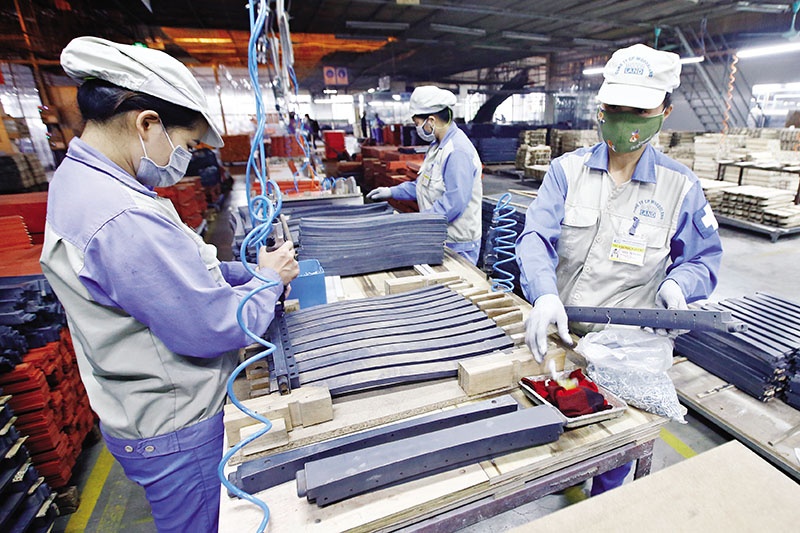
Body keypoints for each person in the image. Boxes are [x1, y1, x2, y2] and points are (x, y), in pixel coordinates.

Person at [40, 37, 299, 533]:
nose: (184, 159)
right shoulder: (120, 214)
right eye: (185, 145)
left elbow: (174, 277)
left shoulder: (90, 183)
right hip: (178, 426)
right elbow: (209, 326)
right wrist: (269, 281)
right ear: (146, 124)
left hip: (148, 413)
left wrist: (246, 272)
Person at [515, 44, 722, 496]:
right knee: (560, 433)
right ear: (601, 107)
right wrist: (544, 295)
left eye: (638, 111)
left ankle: (603, 505)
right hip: (563, 335)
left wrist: (678, 285)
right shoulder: (566, 172)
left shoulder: (680, 187)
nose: (624, 120)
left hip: (627, 350)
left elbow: (702, 258)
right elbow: (535, 239)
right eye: (615, 108)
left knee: (613, 452)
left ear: (664, 112)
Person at [366, 86, 483, 264]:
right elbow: (423, 186)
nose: (417, 129)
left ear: (431, 120)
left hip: (457, 244)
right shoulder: (437, 147)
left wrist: (419, 222)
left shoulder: (457, 152)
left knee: (455, 283)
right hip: (440, 236)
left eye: (417, 123)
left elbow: (454, 203)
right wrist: (391, 191)